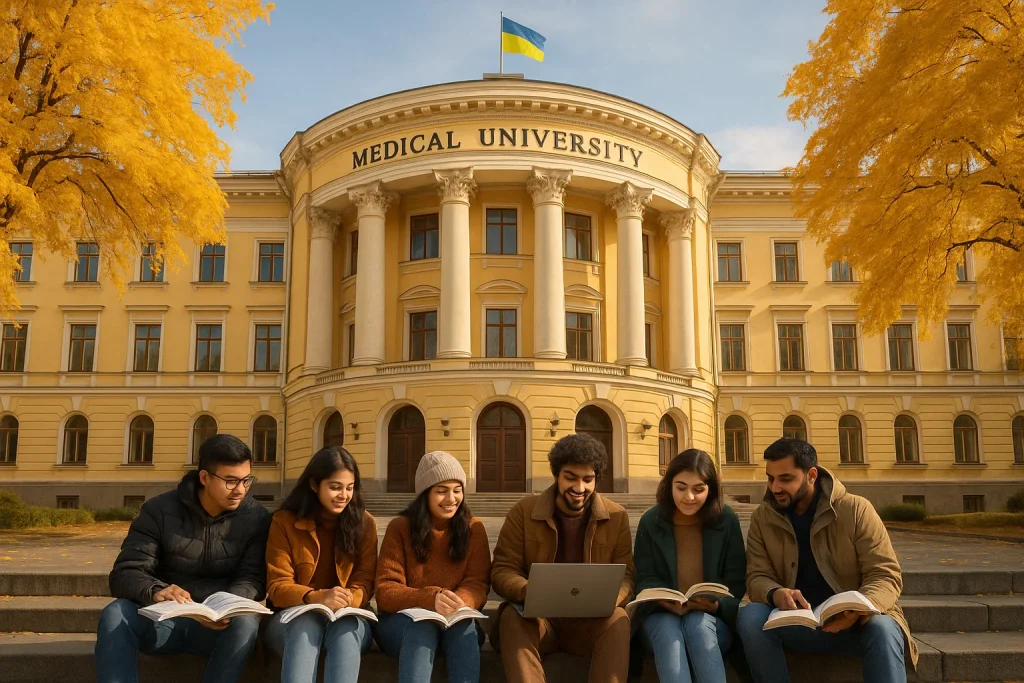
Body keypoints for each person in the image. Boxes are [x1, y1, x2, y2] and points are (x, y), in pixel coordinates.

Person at [736, 438, 916, 683]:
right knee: (750, 617)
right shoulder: (762, 518)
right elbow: (757, 575)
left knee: (884, 628)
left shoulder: (856, 509)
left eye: (785, 479)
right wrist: (775, 593)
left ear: (811, 475)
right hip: (794, 622)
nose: (775, 487)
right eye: (770, 478)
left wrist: (855, 610)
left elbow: (885, 575)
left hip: (856, 624)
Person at [95, 434, 271, 683]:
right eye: (230, 481)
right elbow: (125, 572)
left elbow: (253, 577)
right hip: (164, 623)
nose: (240, 490)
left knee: (246, 624)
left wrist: (227, 607)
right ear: (204, 477)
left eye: (246, 480)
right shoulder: (159, 511)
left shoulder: (256, 517)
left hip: (218, 628)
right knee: (115, 613)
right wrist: (157, 590)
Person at [491, 433, 635, 683]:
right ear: (556, 476)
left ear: (596, 479)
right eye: (570, 478)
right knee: (511, 616)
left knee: (619, 619)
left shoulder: (617, 516)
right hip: (539, 621)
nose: (579, 488)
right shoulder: (523, 512)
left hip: (590, 623)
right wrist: (529, 591)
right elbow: (502, 570)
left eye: (587, 480)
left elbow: (628, 576)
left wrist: (613, 598)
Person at [374, 451, 491, 683]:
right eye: (441, 491)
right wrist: (430, 599)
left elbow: (478, 583)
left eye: (457, 490)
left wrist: (462, 600)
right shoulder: (400, 527)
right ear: (425, 494)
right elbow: (385, 591)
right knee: (422, 628)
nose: (451, 499)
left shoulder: (474, 529)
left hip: (453, 623)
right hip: (401, 625)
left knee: (465, 627)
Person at [264, 446, 378, 683]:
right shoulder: (284, 521)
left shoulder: (364, 523)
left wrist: (348, 600)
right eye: (335, 487)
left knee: (346, 630)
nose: (344, 495)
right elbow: (277, 587)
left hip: (348, 616)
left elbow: (365, 581)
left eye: (350, 487)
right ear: (314, 485)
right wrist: (316, 597)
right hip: (291, 618)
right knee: (306, 624)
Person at [632, 449, 747, 683]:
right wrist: (663, 600)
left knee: (698, 626)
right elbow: (644, 577)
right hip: (660, 616)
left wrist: (715, 606)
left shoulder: (727, 520)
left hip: (712, 621)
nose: (689, 497)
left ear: (711, 489)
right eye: (681, 487)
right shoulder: (650, 521)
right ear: (669, 485)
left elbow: (736, 583)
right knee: (668, 631)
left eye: (699, 489)